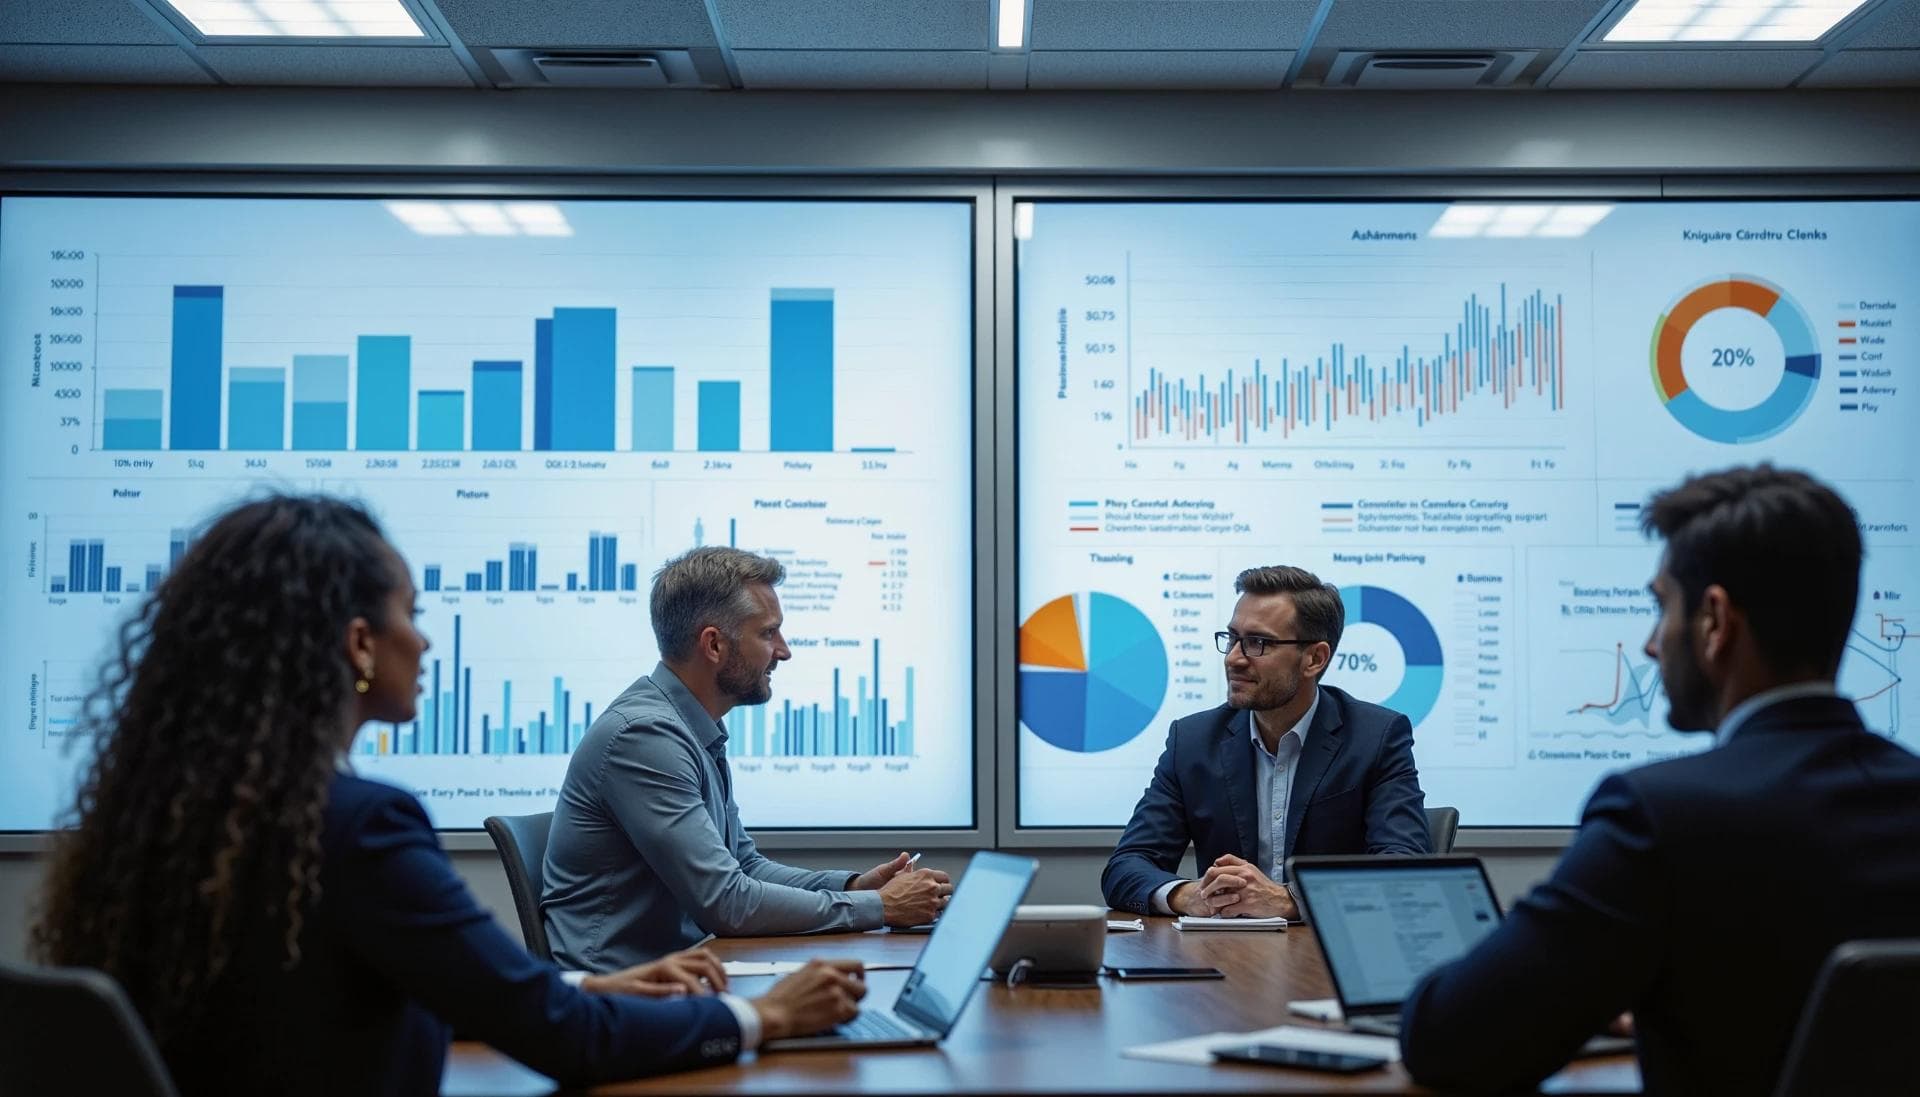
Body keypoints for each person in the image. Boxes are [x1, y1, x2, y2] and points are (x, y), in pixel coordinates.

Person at [31, 496, 866, 1097]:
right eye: (411, 612)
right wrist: (768, 1018)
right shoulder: (360, 829)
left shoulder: (180, 822)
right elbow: (566, 1045)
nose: (426, 638)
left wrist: (585, 987)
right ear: (359, 643)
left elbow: (388, 1004)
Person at [1400, 465, 1920, 1096]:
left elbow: (1450, 1041)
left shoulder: (1659, 814)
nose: (1651, 645)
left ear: (1714, 620)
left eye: (1661, 606)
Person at [543, 545, 952, 970]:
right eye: (768, 633)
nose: (784, 650)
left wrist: (856, 886)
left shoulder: (691, 727)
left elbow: (745, 867)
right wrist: (877, 907)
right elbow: (726, 902)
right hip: (620, 1000)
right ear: (714, 644)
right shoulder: (645, 737)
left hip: (674, 977)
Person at [1102, 565, 1431, 918]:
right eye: (1232, 639)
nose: (1233, 658)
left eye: (1258, 643)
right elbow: (1127, 866)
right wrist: (1186, 895)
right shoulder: (1194, 741)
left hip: (1328, 959)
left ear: (1314, 659)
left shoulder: (1376, 737)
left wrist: (1291, 900)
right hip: (1223, 957)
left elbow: (1404, 867)